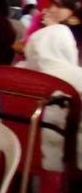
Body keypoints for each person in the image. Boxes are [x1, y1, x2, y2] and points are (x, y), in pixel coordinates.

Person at [17, 24, 82, 171]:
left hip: (15, 150)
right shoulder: (79, 78)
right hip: (62, 159)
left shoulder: (14, 72)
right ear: (69, 47)